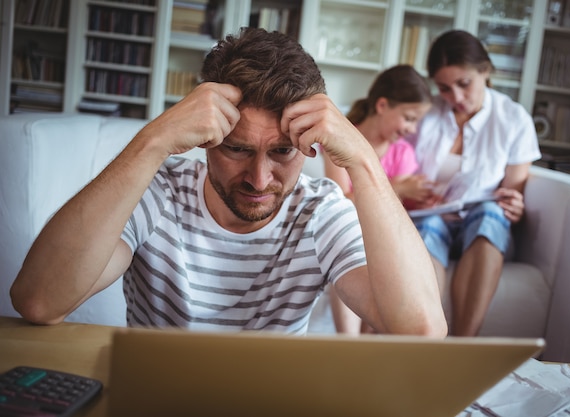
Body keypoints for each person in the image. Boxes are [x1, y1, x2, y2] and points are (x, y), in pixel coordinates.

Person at [10, 27, 447, 337]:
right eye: (237, 149)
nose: (259, 180)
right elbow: (39, 301)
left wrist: (364, 162)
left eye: (281, 152)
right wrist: (153, 140)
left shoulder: (320, 211)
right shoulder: (158, 192)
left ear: (307, 148)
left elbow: (422, 330)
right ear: (205, 139)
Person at [405, 30, 541, 337]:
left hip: (481, 221)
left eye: (464, 84)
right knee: (426, 230)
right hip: (431, 217)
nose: (456, 97)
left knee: (492, 216)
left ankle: (464, 343)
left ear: (485, 71)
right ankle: (425, 340)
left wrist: (514, 205)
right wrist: (410, 192)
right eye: (444, 88)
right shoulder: (426, 115)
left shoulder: (514, 119)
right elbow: (397, 166)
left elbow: (511, 196)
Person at [322, 65, 435, 335]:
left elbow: (397, 215)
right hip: (349, 228)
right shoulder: (340, 140)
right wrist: (398, 188)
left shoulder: (403, 152)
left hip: (383, 236)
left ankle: (371, 342)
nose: (412, 129)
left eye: (417, 121)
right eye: (409, 118)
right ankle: (347, 340)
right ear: (382, 105)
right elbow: (342, 200)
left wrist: (424, 198)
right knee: (346, 247)